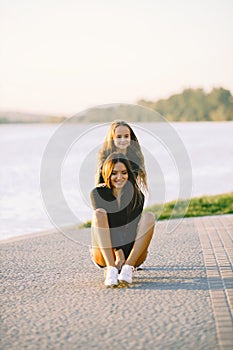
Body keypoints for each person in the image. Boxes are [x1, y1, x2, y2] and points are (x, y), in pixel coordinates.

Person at [90, 152, 155, 287]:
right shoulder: (98, 194)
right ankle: (111, 270)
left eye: (124, 173)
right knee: (99, 214)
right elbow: (112, 226)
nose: (119, 177)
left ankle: (127, 269)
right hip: (106, 255)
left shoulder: (138, 196)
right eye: (114, 173)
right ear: (107, 173)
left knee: (149, 217)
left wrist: (125, 260)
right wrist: (118, 253)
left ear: (128, 174)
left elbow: (131, 230)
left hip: (132, 256)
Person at [96, 120, 147, 192]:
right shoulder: (105, 159)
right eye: (119, 137)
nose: (123, 140)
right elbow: (99, 187)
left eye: (126, 136)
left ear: (130, 137)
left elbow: (131, 185)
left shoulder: (135, 158)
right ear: (112, 138)